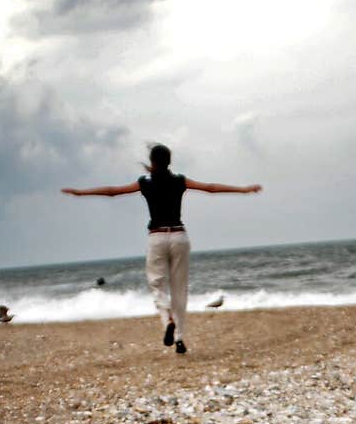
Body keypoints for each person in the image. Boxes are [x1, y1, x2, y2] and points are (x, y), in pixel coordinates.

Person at [62, 144, 261, 354]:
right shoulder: (179, 181)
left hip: (157, 237)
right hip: (179, 236)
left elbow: (112, 192)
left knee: (157, 284)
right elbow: (210, 188)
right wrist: (244, 189)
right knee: (179, 290)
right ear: (169, 161)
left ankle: (167, 321)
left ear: (152, 161)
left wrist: (80, 193)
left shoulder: (145, 183)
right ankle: (180, 339)